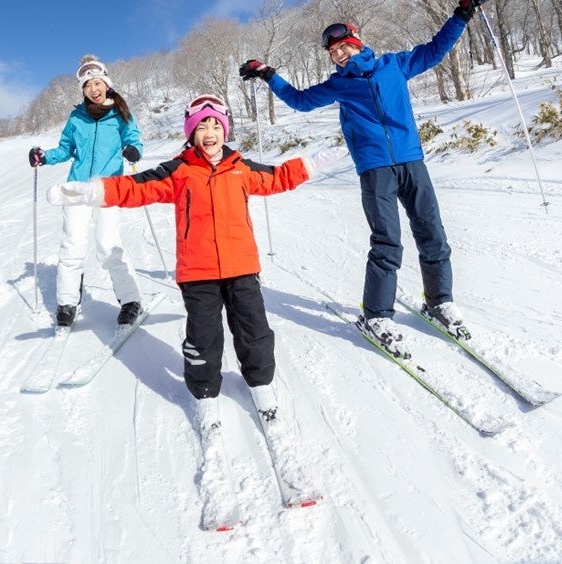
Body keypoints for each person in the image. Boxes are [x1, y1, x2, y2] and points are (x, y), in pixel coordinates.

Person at [46, 94, 339, 426]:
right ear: (191, 131)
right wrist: (91, 192)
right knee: (203, 337)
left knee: (254, 331)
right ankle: (204, 394)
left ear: (225, 130)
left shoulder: (239, 167)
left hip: (242, 267)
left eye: (216, 124)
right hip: (197, 272)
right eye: (202, 125)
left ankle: (260, 385)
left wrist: (313, 163)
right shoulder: (180, 169)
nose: (210, 131)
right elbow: (136, 187)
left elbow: (277, 177)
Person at [239, 0, 492, 359]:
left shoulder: (394, 65)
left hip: (411, 161)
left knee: (432, 232)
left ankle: (439, 301)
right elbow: (300, 101)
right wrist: (269, 75)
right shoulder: (339, 85)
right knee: (387, 240)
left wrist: (463, 13)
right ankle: (377, 317)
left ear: (357, 42)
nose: (339, 54)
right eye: (333, 52)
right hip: (374, 169)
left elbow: (437, 49)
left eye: (344, 47)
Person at [28, 55, 144, 327]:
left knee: (108, 245)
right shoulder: (76, 117)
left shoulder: (120, 112)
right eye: (88, 84)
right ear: (82, 89)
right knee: (72, 246)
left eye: (97, 82)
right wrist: (45, 156)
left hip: (108, 188)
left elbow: (134, 138)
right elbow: (66, 149)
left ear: (106, 83)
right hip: (77, 187)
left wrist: (134, 150)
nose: (94, 88)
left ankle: (130, 300)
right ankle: (67, 303)